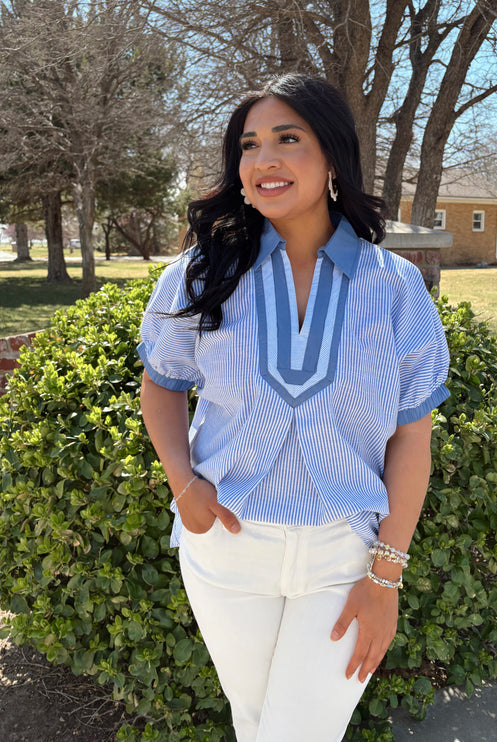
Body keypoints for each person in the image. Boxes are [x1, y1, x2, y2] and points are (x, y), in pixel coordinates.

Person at [138, 73, 450, 742]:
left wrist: (385, 576)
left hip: (343, 558)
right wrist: (182, 483)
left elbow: (410, 440)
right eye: (249, 145)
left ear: (332, 156)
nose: (263, 160)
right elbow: (161, 381)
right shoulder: (201, 274)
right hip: (226, 552)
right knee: (257, 727)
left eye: (288, 139)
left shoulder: (394, 288)